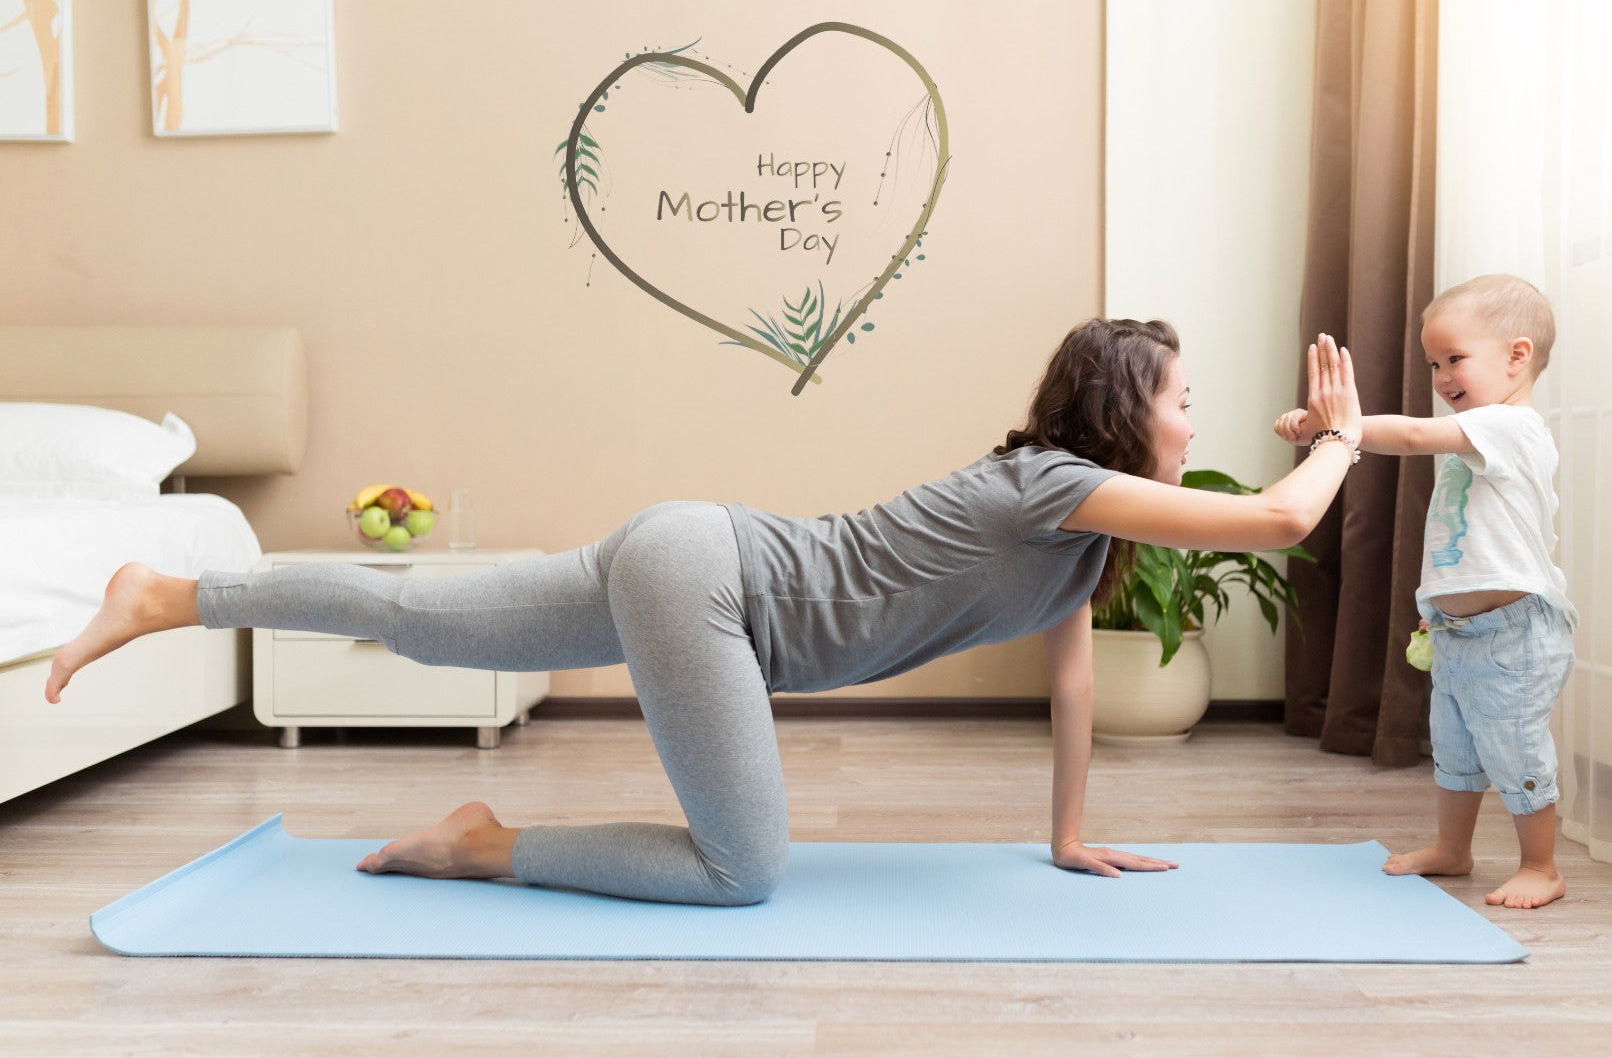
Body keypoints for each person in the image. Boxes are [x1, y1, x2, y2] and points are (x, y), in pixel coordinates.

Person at [49, 320, 1361, 907]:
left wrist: (1071, 838)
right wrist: (1348, 436)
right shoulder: (1058, 486)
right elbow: (1286, 518)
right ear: (1127, 407)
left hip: (695, 554)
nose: (1198, 417)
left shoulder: (1081, 534)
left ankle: (169, 592)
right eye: (1182, 397)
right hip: (710, 583)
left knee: (429, 625)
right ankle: (489, 844)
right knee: (743, 875)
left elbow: (1074, 687)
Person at [1275, 275, 1577, 910]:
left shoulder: (1511, 428)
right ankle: (1453, 848)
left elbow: (1410, 437)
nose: (1441, 376)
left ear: (1517, 357)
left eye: (1454, 359)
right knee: (1456, 748)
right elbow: (1458, 542)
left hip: (1513, 637)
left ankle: (1541, 866)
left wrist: (1339, 428)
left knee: (1518, 748)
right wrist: (1434, 611)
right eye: (1434, 363)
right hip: (1459, 634)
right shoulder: (1475, 436)